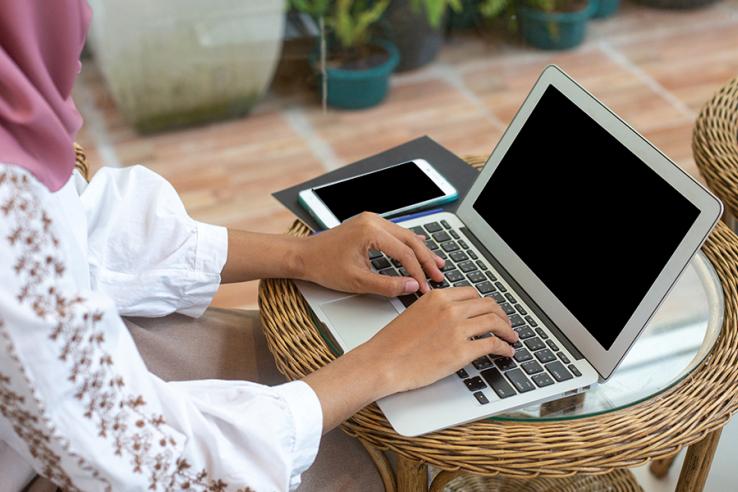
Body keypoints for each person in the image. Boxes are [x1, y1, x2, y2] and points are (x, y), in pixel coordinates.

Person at [0, 1, 517, 490]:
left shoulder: (15, 132)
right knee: (390, 457)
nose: (82, 28)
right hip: (67, 464)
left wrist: (303, 256)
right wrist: (383, 363)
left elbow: (91, 232)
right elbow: (147, 461)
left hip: (96, 406)